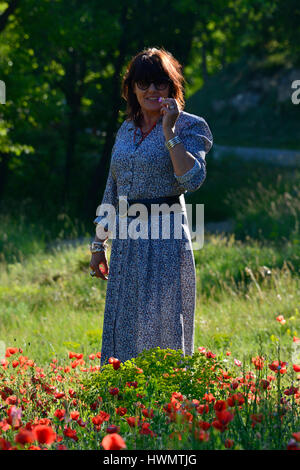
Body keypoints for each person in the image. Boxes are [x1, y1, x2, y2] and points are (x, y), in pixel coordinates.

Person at [89, 47, 213, 367]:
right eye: (143, 84)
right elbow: (112, 190)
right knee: (124, 322)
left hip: (166, 240)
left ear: (172, 88)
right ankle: (122, 397)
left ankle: (163, 402)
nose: (152, 91)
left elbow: (192, 179)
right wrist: (98, 244)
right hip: (127, 242)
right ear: (131, 87)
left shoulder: (189, 126)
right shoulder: (125, 129)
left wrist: (169, 132)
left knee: (162, 323)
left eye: (159, 84)